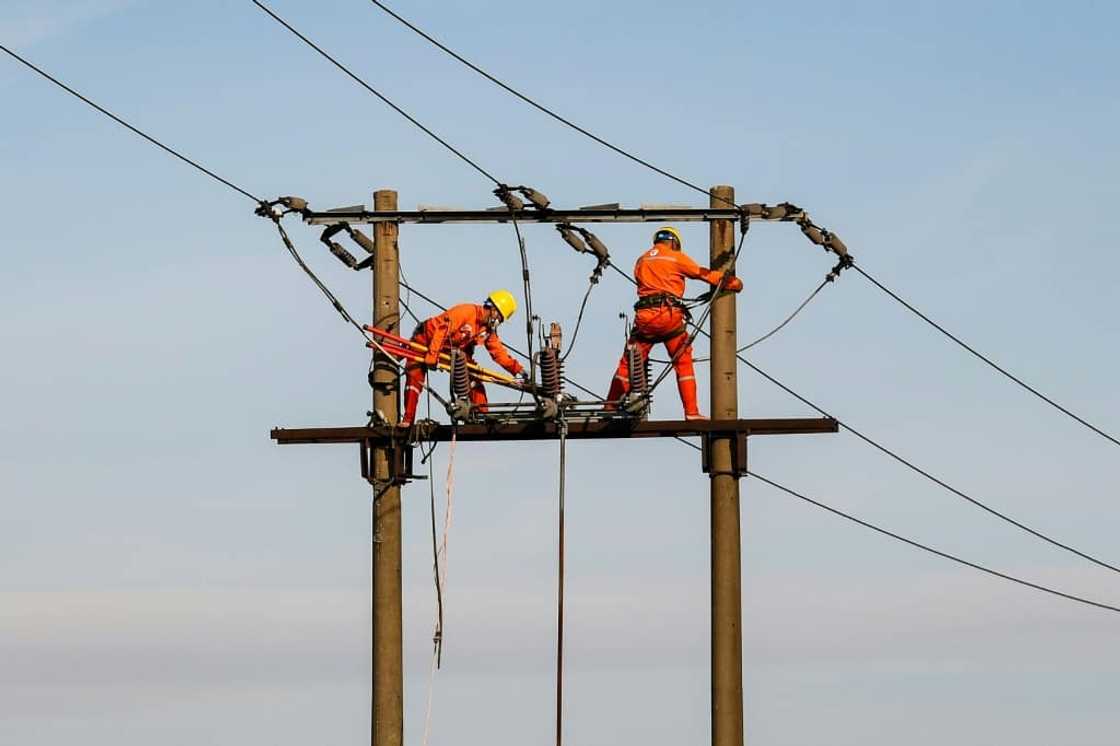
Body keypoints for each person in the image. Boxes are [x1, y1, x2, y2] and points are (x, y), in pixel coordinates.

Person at [606, 226, 743, 419]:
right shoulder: (674, 257)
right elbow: (702, 273)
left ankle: (609, 407)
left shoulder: (641, 260)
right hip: (668, 316)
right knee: (683, 361)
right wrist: (732, 283)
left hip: (644, 318)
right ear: (674, 242)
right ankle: (691, 412)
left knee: (628, 362)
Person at [400, 289, 526, 426]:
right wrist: (432, 355)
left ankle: (482, 416)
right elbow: (443, 329)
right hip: (425, 340)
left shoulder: (487, 331)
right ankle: (407, 421)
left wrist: (519, 370)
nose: (498, 323)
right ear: (494, 310)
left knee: (474, 378)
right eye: (500, 319)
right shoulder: (466, 312)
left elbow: (499, 353)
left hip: (449, 350)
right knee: (414, 381)